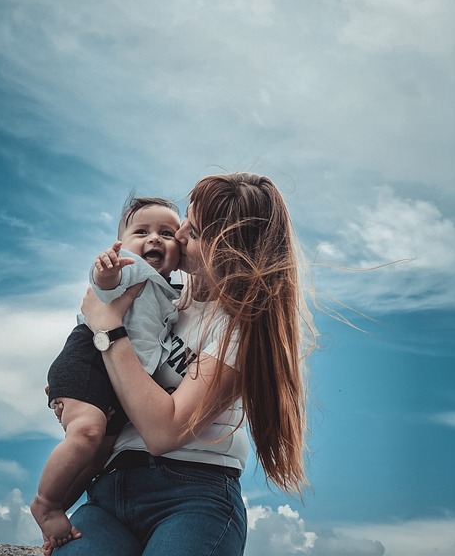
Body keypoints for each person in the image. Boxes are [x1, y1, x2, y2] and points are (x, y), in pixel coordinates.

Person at [50, 173, 315, 556]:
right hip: (110, 487)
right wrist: (74, 390)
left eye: (195, 229)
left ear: (227, 248)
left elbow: (165, 431)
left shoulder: (238, 330)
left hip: (193, 495)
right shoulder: (161, 295)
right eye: (186, 219)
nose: (180, 232)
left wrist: (106, 329)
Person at [31, 197, 182, 552]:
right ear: (123, 242)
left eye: (167, 233)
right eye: (141, 231)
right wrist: (108, 269)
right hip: (91, 358)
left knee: (100, 451)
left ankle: (60, 508)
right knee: (86, 432)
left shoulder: (172, 293)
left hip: (120, 377)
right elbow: (105, 281)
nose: (154, 239)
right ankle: (45, 503)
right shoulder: (134, 270)